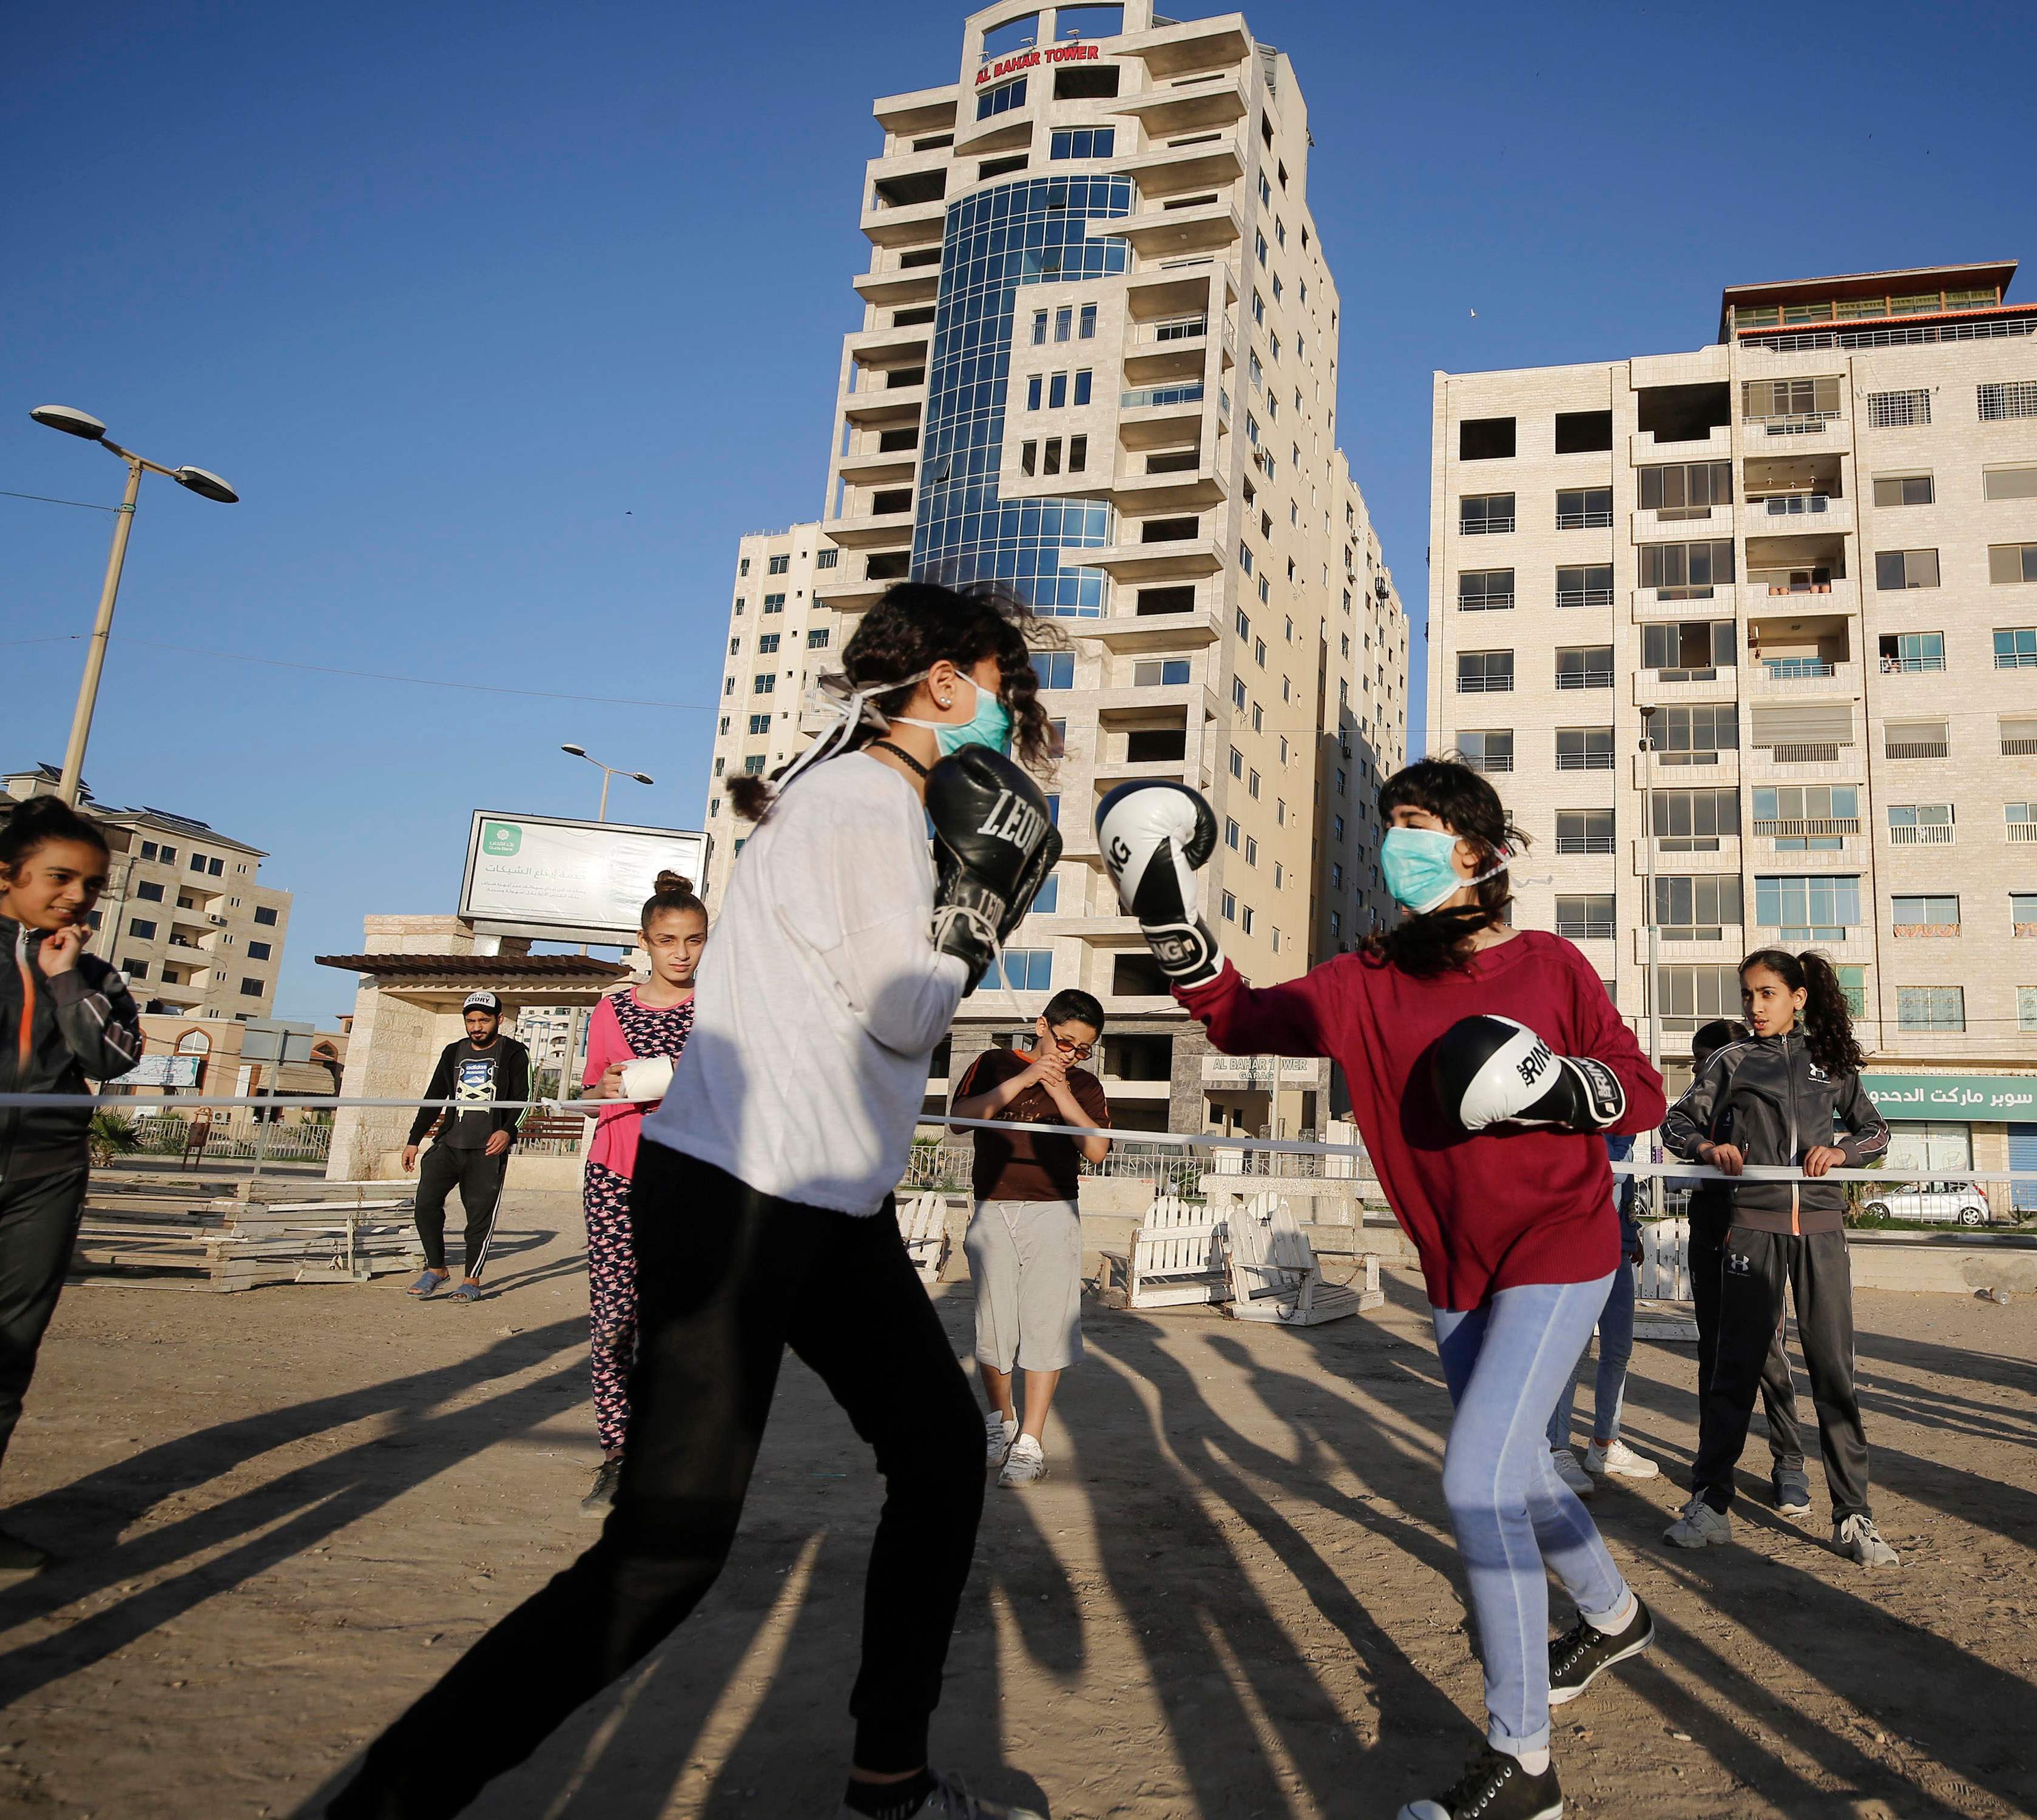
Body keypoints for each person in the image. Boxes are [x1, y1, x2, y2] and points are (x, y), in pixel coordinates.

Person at [332, 582, 1064, 1820]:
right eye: (1005, 688)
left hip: (822, 1203)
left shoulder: (862, 804)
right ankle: (391, 1801)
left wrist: (960, 901)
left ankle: (890, 1783)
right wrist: (980, 910)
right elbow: (906, 1010)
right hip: (741, 1203)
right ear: (945, 682)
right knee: (668, 1553)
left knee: (941, 1460)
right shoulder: (861, 802)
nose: (1013, 715)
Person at [1101, 757, 1663, 1820]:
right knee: (1519, 1467)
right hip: (1455, 1266)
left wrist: (1556, 1088)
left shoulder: (1551, 964)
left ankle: (1525, 1766)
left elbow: (1641, 1091)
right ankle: (1618, 1618)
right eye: (1388, 824)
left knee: (1479, 1483)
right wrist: (1170, 921)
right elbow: (1238, 1019)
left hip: (1563, 1242)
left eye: (1414, 822)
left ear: (1474, 848)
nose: (1395, 843)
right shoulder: (1362, 980)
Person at [1661, 950, 1896, 1566]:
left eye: (1767, 993)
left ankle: (1854, 1517)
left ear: (1798, 998)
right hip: (1752, 1229)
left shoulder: (1832, 1064)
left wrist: (1842, 1152)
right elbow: (1675, 1124)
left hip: (1820, 1231)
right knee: (1734, 1370)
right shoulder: (1733, 1059)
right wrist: (1708, 1148)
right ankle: (1710, 1505)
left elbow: (1876, 1132)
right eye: (1748, 995)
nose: (1755, 1006)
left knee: (1833, 1374)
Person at [0, 794, 141, 1572]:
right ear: (7, 874)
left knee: (12, 1347)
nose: (77, 897)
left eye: (92, 884)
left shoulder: (93, 975)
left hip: (46, 1176)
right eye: (60, 877)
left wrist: (62, 981)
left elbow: (112, 1060)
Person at [570, 870, 706, 1515]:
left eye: (694, 940)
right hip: (616, 1175)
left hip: (694, 1179)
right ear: (645, 941)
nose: (681, 953)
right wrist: (601, 1090)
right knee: (613, 1322)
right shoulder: (611, 1009)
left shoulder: (722, 1011)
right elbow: (592, 1091)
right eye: (668, 939)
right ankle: (618, 1455)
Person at [950, 989, 1111, 1488]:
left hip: (1052, 1211)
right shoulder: (993, 1063)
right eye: (1066, 1042)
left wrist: (1061, 1091)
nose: (1072, 1054)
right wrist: (1026, 1078)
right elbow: (959, 1121)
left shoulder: (1084, 1085)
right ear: (1042, 1026)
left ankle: (1031, 1443)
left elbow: (1098, 1151)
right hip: (993, 1207)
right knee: (993, 1325)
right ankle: (1000, 1422)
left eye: (1084, 1049)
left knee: (1045, 1325)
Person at [1676, 1016, 1808, 1515]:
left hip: (1758, 1234)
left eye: (1707, 1061)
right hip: (1710, 1232)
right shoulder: (1699, 1109)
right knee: (1713, 1353)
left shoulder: (1766, 1100)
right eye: (1698, 1063)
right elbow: (1680, 1146)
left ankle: (1789, 1463)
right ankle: (1712, 1471)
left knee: (1769, 1354)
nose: (1702, 1071)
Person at [1542, 1134, 1657, 1492]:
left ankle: (1604, 1444)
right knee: (1572, 1351)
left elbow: (1622, 1184)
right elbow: (1608, 1169)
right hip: (1577, 1243)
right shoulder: (1594, 1117)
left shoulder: (1626, 1128)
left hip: (1617, 1247)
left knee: (1619, 1349)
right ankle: (1556, 1448)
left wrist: (1630, 1232)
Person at [399, 992, 530, 1303]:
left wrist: (508, 1131)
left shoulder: (514, 1052)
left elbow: (525, 1099)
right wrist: (414, 1140)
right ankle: (436, 1269)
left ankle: (471, 1280)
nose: (477, 1027)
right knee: (425, 1205)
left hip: (487, 1150)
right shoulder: (453, 1052)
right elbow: (434, 1097)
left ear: (499, 1020)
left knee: (478, 1217)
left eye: (484, 1020)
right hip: (449, 1144)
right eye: (471, 1021)